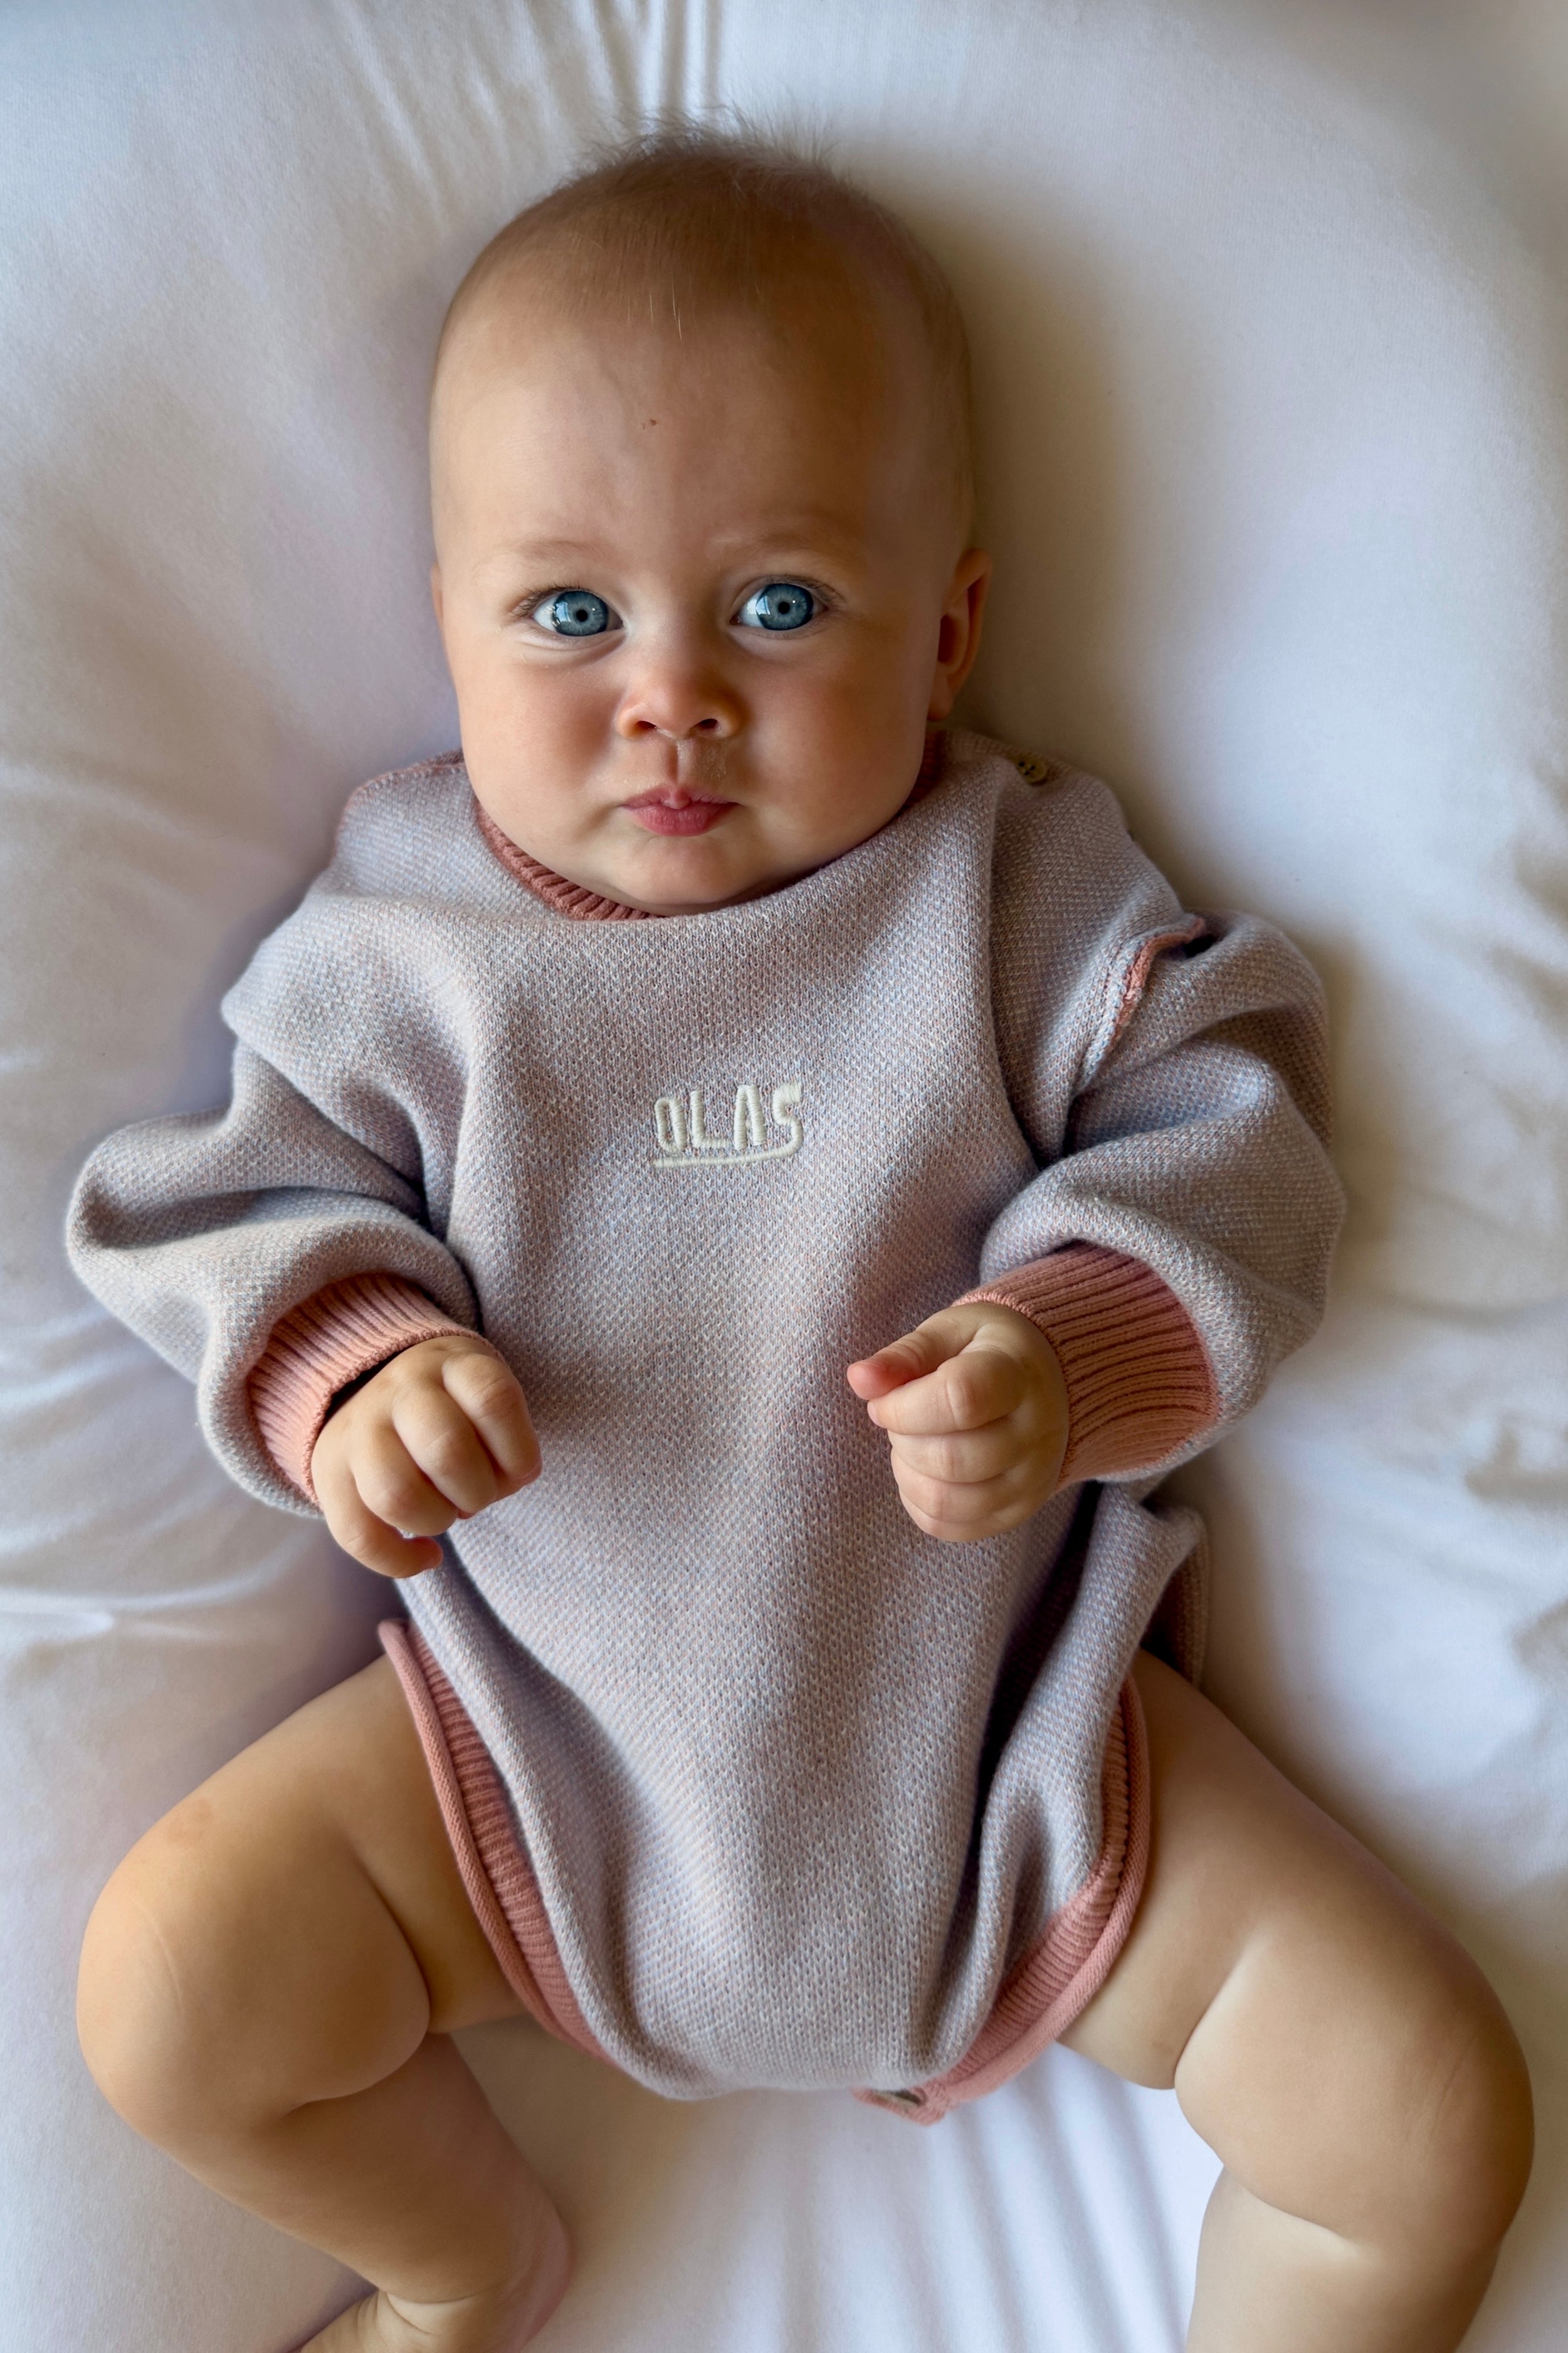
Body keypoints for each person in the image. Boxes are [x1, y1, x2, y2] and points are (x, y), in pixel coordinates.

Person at [67, 130, 1531, 2353]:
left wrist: (1068, 1349)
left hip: (1023, 1770)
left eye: (777, 607)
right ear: (448, 625)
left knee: (1426, 2122)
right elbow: (227, 1206)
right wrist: (354, 1372)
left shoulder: (1004, 896)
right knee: (171, 1996)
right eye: (572, 615)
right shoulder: (404, 951)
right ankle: (466, 2264)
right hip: (518, 1770)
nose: (671, 694)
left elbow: (1238, 1132)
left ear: (947, 632)